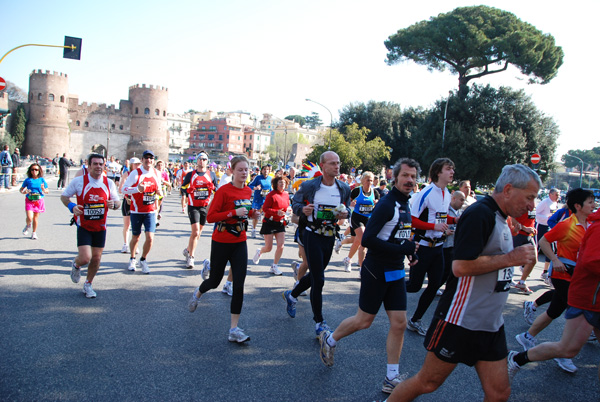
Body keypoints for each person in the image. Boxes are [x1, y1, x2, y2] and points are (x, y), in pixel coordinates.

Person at [385, 164, 540, 402]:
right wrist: (510, 258)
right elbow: (461, 267)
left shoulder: (502, 217)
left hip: (491, 324)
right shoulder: (481, 214)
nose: (531, 205)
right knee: (428, 382)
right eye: (529, 197)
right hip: (460, 321)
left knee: (499, 393)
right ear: (508, 189)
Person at [318, 158, 420, 395]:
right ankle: (330, 339)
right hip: (376, 269)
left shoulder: (407, 204)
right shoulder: (387, 204)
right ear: (395, 177)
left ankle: (391, 377)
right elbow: (369, 240)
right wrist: (401, 250)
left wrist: (410, 254)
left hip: (395, 270)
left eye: (413, 177)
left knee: (400, 323)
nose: (410, 180)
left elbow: (400, 237)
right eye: (405, 175)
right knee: (364, 321)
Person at [508, 206, 600, 383]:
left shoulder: (588, 224)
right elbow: (545, 240)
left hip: (585, 290)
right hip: (582, 293)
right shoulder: (574, 224)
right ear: (579, 206)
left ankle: (528, 334)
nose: (592, 205)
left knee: (555, 310)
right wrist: (555, 260)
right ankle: (519, 357)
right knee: (567, 347)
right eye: (589, 202)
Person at [187, 155, 258, 343]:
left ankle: (234, 329)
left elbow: (246, 211)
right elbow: (210, 217)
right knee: (215, 281)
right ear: (232, 171)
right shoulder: (224, 191)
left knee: (239, 284)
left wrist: (253, 213)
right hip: (221, 240)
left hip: (239, 241)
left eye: (246, 170)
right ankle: (198, 292)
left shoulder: (248, 191)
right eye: (240, 170)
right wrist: (233, 213)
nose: (244, 173)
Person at [282, 151, 351, 338]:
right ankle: (319, 322)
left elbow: (348, 208)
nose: (337, 166)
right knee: (319, 280)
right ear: (323, 166)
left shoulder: (344, 188)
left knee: (315, 275)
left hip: (329, 236)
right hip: (311, 234)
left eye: (338, 163)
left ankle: (292, 294)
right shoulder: (310, 185)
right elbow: (295, 203)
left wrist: (345, 214)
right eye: (332, 163)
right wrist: (302, 209)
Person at [405, 158, 456, 336]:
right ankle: (384, 285)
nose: (452, 172)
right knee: (413, 286)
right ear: (438, 172)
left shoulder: (447, 193)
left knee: (435, 285)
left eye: (453, 170)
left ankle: (415, 320)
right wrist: (433, 227)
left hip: (438, 248)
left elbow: (440, 217)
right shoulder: (426, 193)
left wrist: (455, 220)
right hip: (423, 247)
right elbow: (413, 219)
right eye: (448, 169)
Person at [61, 153, 120, 298]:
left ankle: (88, 284)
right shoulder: (79, 181)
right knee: (86, 258)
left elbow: (118, 203)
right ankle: (76, 264)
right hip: (84, 225)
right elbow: (64, 197)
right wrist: (72, 206)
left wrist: (114, 205)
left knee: (97, 259)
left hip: (100, 227)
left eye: (101, 164)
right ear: (89, 166)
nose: (98, 167)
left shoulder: (109, 183)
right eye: (95, 164)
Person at [121, 150, 163, 274]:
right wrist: (136, 189)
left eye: (151, 158)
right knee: (136, 237)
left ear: (153, 160)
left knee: (150, 238)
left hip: (150, 211)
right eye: (146, 158)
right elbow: (124, 189)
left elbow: (158, 188)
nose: (148, 160)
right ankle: (132, 258)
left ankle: (143, 259)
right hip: (136, 211)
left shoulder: (157, 173)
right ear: (142, 160)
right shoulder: (135, 173)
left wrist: (159, 193)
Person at [182, 152, 217, 269]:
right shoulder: (190, 174)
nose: (202, 161)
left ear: (207, 161)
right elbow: (182, 188)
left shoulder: (211, 175)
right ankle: (191, 257)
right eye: (200, 159)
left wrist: (213, 188)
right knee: (195, 232)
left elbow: (217, 192)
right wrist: (188, 190)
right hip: (193, 206)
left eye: (204, 159)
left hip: (205, 207)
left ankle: (188, 249)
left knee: (198, 234)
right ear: (197, 161)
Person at [252, 175, 291, 275]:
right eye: (280, 183)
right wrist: (276, 212)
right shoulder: (271, 195)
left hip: (280, 223)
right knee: (268, 248)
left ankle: (274, 266)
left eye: (284, 183)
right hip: (269, 222)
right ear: (276, 184)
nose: (282, 184)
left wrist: (289, 210)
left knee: (281, 246)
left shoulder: (286, 194)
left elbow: (288, 206)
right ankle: (260, 251)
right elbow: (265, 209)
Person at [343, 172, 380, 272]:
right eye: (368, 180)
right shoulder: (356, 191)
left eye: (371, 180)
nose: (369, 182)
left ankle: (348, 259)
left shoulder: (375, 193)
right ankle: (362, 269)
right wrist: (351, 203)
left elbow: (379, 206)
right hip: (357, 218)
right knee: (363, 240)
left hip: (369, 219)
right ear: (363, 181)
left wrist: (377, 204)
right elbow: (346, 202)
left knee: (358, 242)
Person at [438, 190, 466, 296]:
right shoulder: (445, 210)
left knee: (451, 271)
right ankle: (435, 286)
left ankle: (449, 291)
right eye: (461, 200)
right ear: (454, 198)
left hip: (453, 245)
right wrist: (445, 232)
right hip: (443, 245)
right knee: (444, 270)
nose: (463, 202)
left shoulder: (460, 212)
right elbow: (436, 225)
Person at [536, 188, 561, 280]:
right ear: (550, 194)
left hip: (550, 228)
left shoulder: (555, 203)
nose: (558, 196)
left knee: (551, 249)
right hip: (541, 226)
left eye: (558, 195)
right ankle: (525, 266)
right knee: (537, 247)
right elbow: (536, 214)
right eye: (556, 194)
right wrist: (547, 218)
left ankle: (545, 271)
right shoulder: (545, 202)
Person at [20, 163, 49, 239]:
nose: (34, 171)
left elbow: (47, 191)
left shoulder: (41, 180)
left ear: (39, 171)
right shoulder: (28, 180)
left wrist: (43, 189)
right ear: (30, 171)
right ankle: (28, 225)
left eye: (36, 169)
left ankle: (34, 233)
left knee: (35, 218)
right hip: (29, 199)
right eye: (32, 169)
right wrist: (24, 192)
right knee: (30, 217)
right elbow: (21, 189)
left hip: (38, 200)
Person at [118, 157, 141, 253]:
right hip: (128, 201)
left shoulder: (141, 175)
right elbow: (120, 189)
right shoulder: (126, 174)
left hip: (137, 202)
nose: (138, 166)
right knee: (127, 225)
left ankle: (135, 244)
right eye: (136, 164)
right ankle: (125, 244)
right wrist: (131, 191)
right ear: (131, 165)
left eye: (139, 164)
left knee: (136, 225)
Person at [248, 164, 272, 238]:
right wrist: (255, 188)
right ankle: (254, 230)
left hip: (266, 199)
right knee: (257, 215)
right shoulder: (258, 178)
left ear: (269, 171)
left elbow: (271, 189)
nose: (266, 171)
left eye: (267, 169)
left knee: (266, 216)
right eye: (264, 169)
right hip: (258, 199)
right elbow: (249, 185)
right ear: (261, 171)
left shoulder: (270, 178)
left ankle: (263, 231)